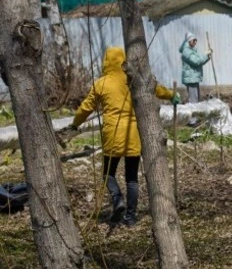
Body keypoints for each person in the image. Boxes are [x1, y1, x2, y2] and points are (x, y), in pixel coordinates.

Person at [68, 47, 180, 226]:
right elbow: (155, 89)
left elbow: (85, 108)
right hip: (133, 135)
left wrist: (75, 124)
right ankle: (131, 217)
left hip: (112, 135)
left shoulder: (101, 83)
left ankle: (117, 199)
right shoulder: (133, 79)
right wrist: (172, 95)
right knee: (132, 178)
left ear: (106, 62)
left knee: (107, 174)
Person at [179, 32, 212, 125]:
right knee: (193, 100)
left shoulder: (191, 50)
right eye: (194, 40)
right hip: (191, 78)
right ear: (189, 40)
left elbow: (199, 61)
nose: (195, 42)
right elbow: (196, 61)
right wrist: (206, 55)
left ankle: (195, 119)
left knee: (196, 99)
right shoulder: (186, 51)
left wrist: (208, 56)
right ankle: (192, 121)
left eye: (196, 40)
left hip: (194, 78)